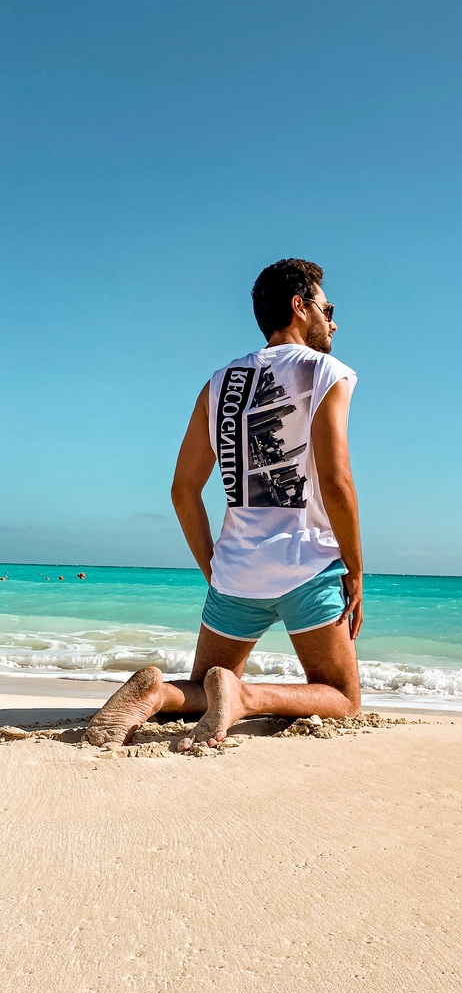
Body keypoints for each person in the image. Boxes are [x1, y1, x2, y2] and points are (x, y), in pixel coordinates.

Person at [85, 258, 363, 751]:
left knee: (199, 686)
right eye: (327, 307)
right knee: (343, 697)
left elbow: (182, 489)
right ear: (300, 307)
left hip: (235, 572)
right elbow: (336, 481)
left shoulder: (218, 382)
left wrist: (213, 568)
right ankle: (245, 696)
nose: (334, 320)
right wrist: (356, 569)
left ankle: (157, 695)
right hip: (307, 563)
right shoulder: (325, 371)